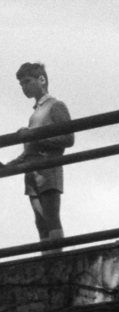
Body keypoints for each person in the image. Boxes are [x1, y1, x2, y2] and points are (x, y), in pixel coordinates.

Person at [9, 63, 72, 242]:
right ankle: (47, 262)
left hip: (48, 169)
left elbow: (68, 139)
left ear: (41, 80)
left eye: (27, 81)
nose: (24, 87)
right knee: (40, 222)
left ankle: (57, 260)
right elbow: (29, 150)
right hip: (32, 171)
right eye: (21, 84)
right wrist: (9, 166)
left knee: (51, 218)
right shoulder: (35, 114)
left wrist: (34, 137)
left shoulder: (56, 106)